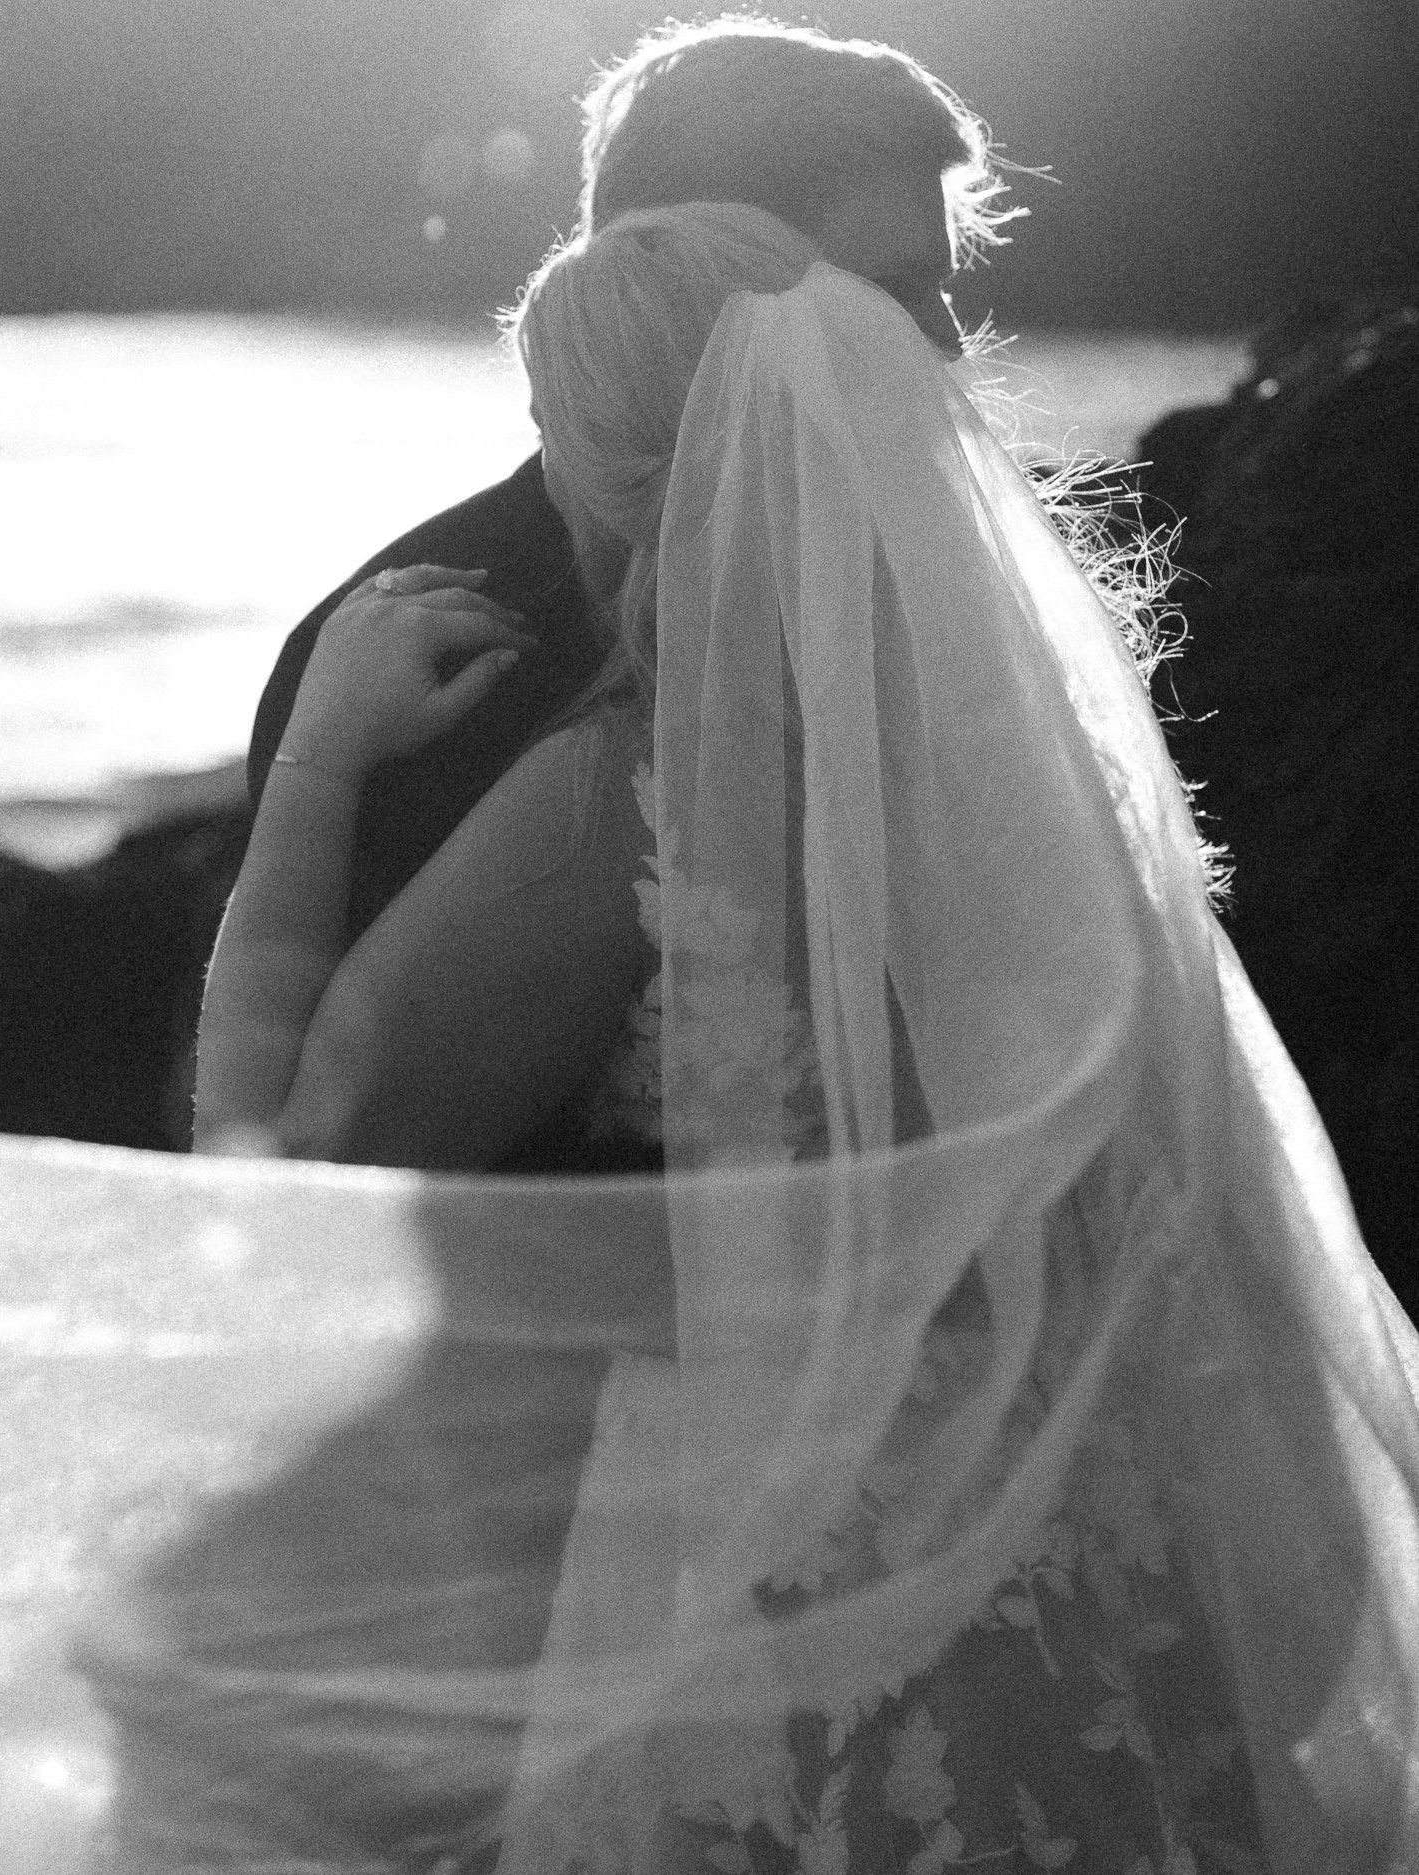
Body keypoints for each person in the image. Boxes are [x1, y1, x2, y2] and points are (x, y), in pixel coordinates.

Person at [94, 25, 1419, 1875]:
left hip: (732, 1605)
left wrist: (324, 764)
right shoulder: (924, 694)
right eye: (889, 295)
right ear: (731, 306)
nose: (938, 357)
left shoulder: (590, 725)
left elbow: (271, 1180)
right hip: (914, 1575)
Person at [240, 14, 1005, 976]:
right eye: (893, 292)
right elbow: (292, 1113)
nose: (949, 343)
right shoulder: (413, 659)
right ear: (707, 274)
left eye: (944, 286)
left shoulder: (920, 583)